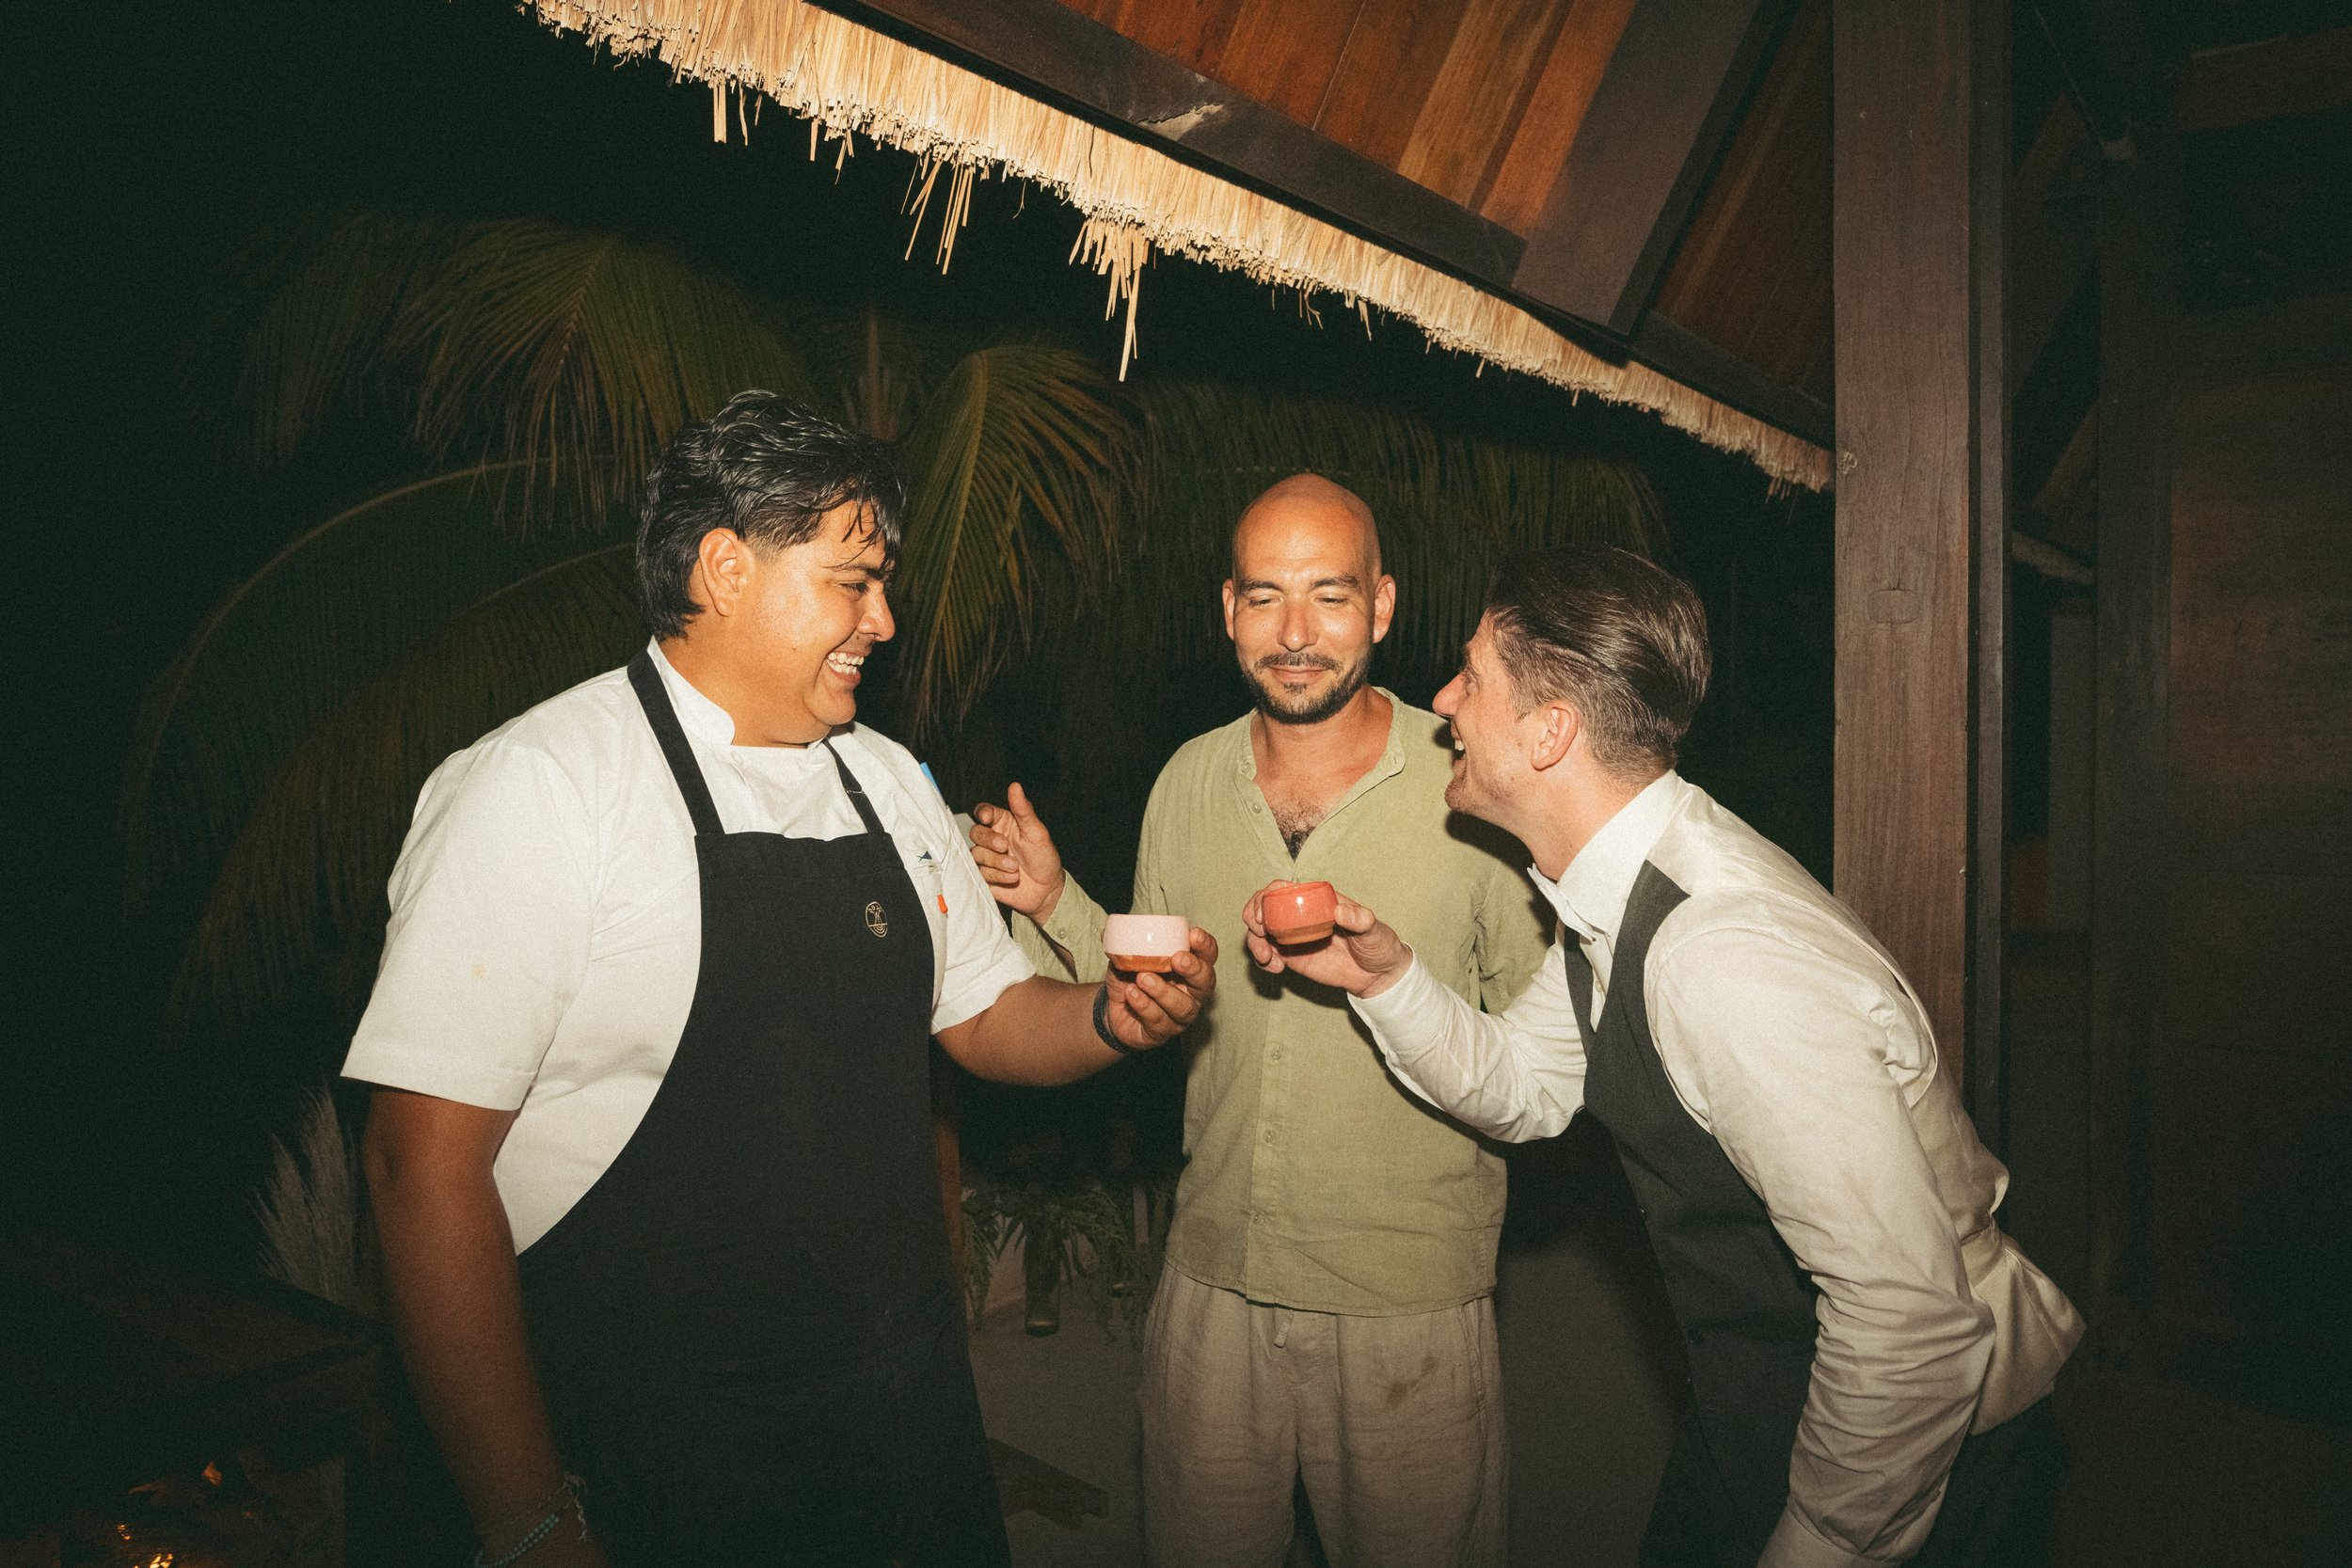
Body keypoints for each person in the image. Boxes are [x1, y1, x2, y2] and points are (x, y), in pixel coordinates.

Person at [344, 390, 1215, 1568]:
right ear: (724, 567)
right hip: (658, 1447)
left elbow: (990, 1013)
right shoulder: (542, 786)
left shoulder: (888, 780)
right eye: (852, 580)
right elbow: (418, 1165)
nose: (886, 619)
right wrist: (530, 1519)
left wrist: (1113, 1014)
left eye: (883, 583)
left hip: (895, 1422)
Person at [1243, 545, 2084, 1568]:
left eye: (1472, 674)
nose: (1443, 699)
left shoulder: (1721, 954)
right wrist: (1380, 976)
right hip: (1762, 1397)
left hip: (1921, 1452)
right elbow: (1522, 1085)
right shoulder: (1614, 891)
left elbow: (1909, 1325)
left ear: (1549, 731)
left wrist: (1818, 1541)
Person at [968, 475, 1551, 1568]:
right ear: (1226, 608)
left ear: (1381, 606)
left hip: (1407, 1298)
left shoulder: (1472, 784)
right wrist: (1054, 901)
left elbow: (1544, 1048)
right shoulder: (1185, 780)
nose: (1295, 634)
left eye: (1329, 597)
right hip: (1212, 1282)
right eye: (1265, 597)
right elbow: (1152, 984)